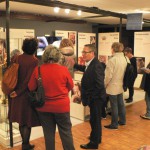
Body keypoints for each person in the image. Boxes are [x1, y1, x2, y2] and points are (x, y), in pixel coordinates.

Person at [28, 45, 75, 150]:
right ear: (58, 56)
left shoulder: (38, 70)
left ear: (44, 56)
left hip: (44, 107)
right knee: (66, 133)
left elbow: (31, 87)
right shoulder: (63, 70)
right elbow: (70, 86)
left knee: (48, 134)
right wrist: (61, 93)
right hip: (61, 107)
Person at [8, 38, 40, 150]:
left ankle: (25, 144)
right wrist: (18, 92)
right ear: (34, 48)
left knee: (21, 120)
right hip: (25, 94)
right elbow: (28, 80)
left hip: (14, 93)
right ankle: (25, 145)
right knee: (27, 120)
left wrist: (15, 91)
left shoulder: (17, 58)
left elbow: (11, 75)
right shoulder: (34, 61)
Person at [74, 44, 106, 149]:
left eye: (85, 52)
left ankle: (93, 143)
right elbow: (86, 70)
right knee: (95, 120)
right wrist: (75, 65)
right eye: (82, 52)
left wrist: (92, 98)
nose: (82, 54)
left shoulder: (96, 65)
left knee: (94, 120)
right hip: (95, 98)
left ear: (92, 53)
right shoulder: (92, 63)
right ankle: (97, 137)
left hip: (96, 99)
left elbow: (99, 85)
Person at [104, 42, 127, 130]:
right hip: (120, 84)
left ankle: (114, 124)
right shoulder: (124, 58)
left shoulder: (112, 60)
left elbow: (108, 76)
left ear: (113, 49)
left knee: (114, 105)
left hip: (112, 86)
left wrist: (104, 84)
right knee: (121, 104)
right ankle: (122, 121)